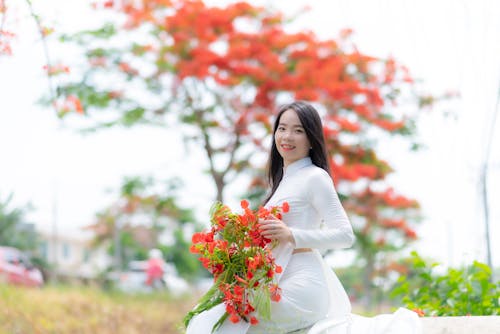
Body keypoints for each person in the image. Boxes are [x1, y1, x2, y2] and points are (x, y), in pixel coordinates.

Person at [186, 101, 421, 334]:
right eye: (282, 128)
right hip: (276, 281)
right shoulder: (282, 183)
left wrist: (291, 235)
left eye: (298, 130)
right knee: (207, 316)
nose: (287, 136)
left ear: (311, 139)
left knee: (217, 319)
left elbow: (345, 235)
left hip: (303, 285)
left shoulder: (315, 177)